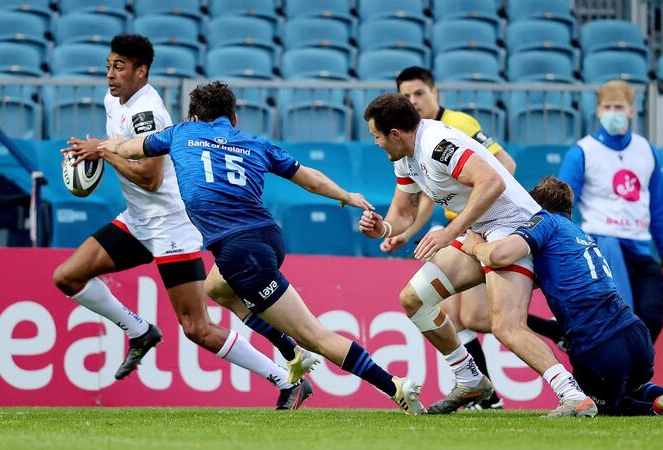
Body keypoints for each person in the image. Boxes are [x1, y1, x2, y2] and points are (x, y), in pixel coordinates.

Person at [98, 81, 426, 415]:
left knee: (314, 335)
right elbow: (307, 176)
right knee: (216, 288)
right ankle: (291, 352)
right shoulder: (256, 144)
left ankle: (395, 387)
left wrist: (108, 147)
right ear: (234, 119)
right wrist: (345, 195)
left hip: (241, 253)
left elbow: (131, 149)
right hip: (266, 237)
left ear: (195, 116)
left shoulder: (180, 133)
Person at [53, 35, 316, 410]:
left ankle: (287, 381)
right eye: (109, 65)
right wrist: (100, 149)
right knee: (68, 276)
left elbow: (150, 179)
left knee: (197, 328)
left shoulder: (149, 112)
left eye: (119, 67)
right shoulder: (112, 99)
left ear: (141, 71)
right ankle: (141, 332)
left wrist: (105, 154)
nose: (110, 75)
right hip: (138, 220)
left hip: (172, 226)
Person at [359, 93, 596, 417]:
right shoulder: (404, 158)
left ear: (395, 134)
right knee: (413, 299)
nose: (375, 143)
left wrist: (450, 232)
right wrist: (384, 229)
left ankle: (573, 396)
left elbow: (492, 182)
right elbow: (403, 211)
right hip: (480, 231)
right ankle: (470, 379)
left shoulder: (437, 145)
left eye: (376, 135)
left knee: (506, 325)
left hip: (515, 229)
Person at [461, 176, 663, 417]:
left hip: (600, 345)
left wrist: (475, 246)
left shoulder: (545, 222)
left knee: (600, 407)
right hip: (635, 335)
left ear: (536, 208)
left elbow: (500, 255)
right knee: (632, 386)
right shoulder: (579, 234)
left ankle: (661, 409)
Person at [382, 67, 514, 409]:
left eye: (419, 93)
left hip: (494, 226)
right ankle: (479, 389)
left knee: (491, 322)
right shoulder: (409, 152)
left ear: (434, 91)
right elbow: (420, 201)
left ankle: (567, 386)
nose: (414, 101)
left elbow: (502, 170)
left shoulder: (454, 128)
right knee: (445, 313)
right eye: (406, 96)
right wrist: (392, 231)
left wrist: (459, 225)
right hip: (460, 231)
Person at [558, 80, 663, 343]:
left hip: (640, 248)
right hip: (600, 247)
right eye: (607, 107)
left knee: (651, 317)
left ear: (631, 110)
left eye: (618, 107)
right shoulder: (582, 152)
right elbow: (562, 207)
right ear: (597, 111)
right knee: (617, 323)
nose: (612, 113)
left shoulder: (646, 150)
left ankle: (633, 378)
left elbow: (659, 208)